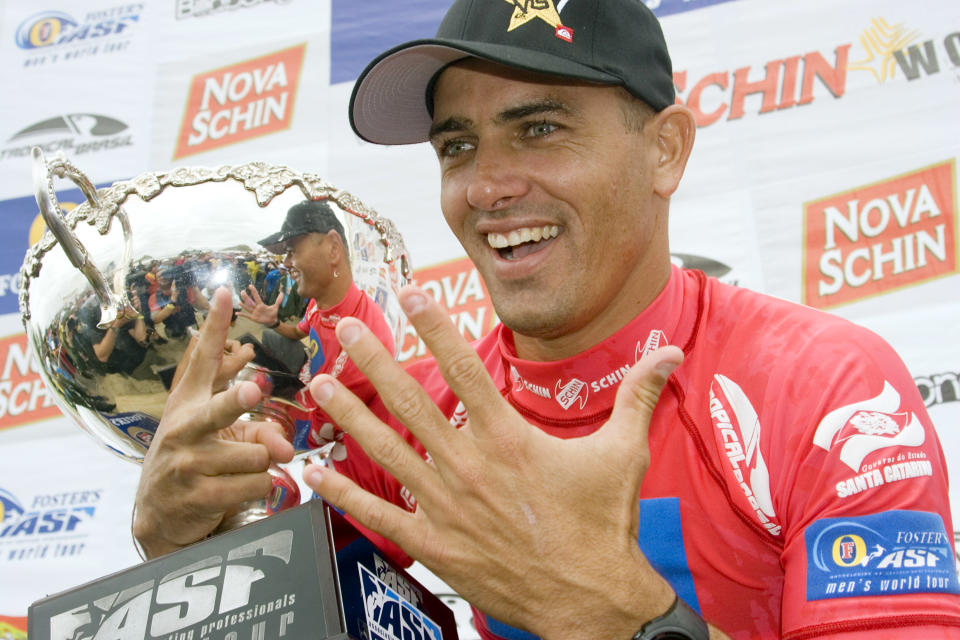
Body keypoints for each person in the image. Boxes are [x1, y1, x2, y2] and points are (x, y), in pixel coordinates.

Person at [133, 2, 960, 639]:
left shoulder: (822, 385)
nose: (487, 186)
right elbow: (284, 608)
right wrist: (184, 550)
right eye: (457, 146)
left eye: (539, 128)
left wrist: (623, 615)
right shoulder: (409, 417)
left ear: (665, 150)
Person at [238, 199, 397, 447]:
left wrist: (261, 415)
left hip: (326, 440)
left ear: (333, 249)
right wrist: (273, 322)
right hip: (306, 388)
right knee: (261, 349)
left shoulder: (360, 348)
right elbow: (297, 332)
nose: (286, 263)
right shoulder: (318, 303)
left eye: (292, 251)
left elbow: (316, 436)